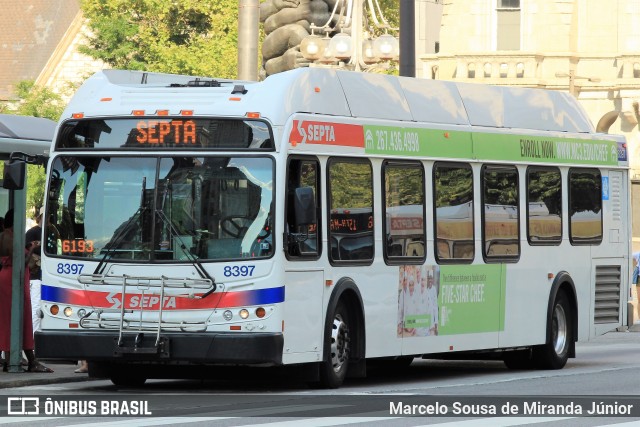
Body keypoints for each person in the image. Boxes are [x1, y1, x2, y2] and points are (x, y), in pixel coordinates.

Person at [0, 209, 52, 373]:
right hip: (12, 280)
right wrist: (31, 249)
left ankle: (13, 359)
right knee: (17, 318)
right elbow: (21, 261)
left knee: (12, 319)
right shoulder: (9, 236)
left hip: (13, 279)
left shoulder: (8, 235)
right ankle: (26, 360)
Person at [25, 207, 43, 334]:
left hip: (32, 276)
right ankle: (33, 337)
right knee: (35, 306)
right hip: (35, 277)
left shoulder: (32, 232)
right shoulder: (35, 232)